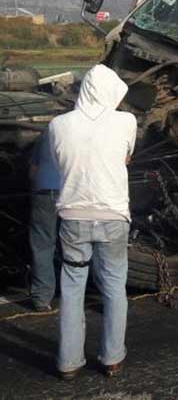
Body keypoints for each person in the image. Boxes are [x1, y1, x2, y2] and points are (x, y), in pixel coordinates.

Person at [49, 64, 136, 380]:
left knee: (72, 287)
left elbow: (61, 162)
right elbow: (126, 158)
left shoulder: (58, 125)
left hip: (73, 216)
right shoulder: (127, 121)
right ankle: (112, 359)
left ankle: (69, 362)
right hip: (113, 216)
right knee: (114, 286)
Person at [28, 131, 62, 312]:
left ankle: (42, 299)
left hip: (43, 192)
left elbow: (33, 171)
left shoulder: (46, 133)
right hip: (71, 192)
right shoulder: (82, 130)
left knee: (42, 244)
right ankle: (75, 292)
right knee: (75, 243)